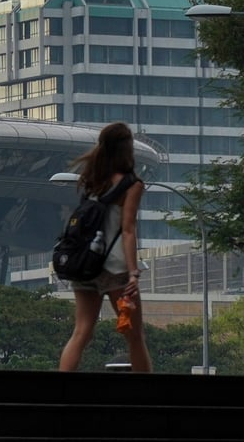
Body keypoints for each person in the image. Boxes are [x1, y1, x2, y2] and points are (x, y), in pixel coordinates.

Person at [58, 121, 153, 372]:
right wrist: (133, 273)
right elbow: (129, 230)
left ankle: (59, 390)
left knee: (81, 332)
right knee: (134, 336)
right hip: (116, 270)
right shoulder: (132, 184)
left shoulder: (92, 179)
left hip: (86, 265)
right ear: (127, 149)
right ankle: (150, 397)